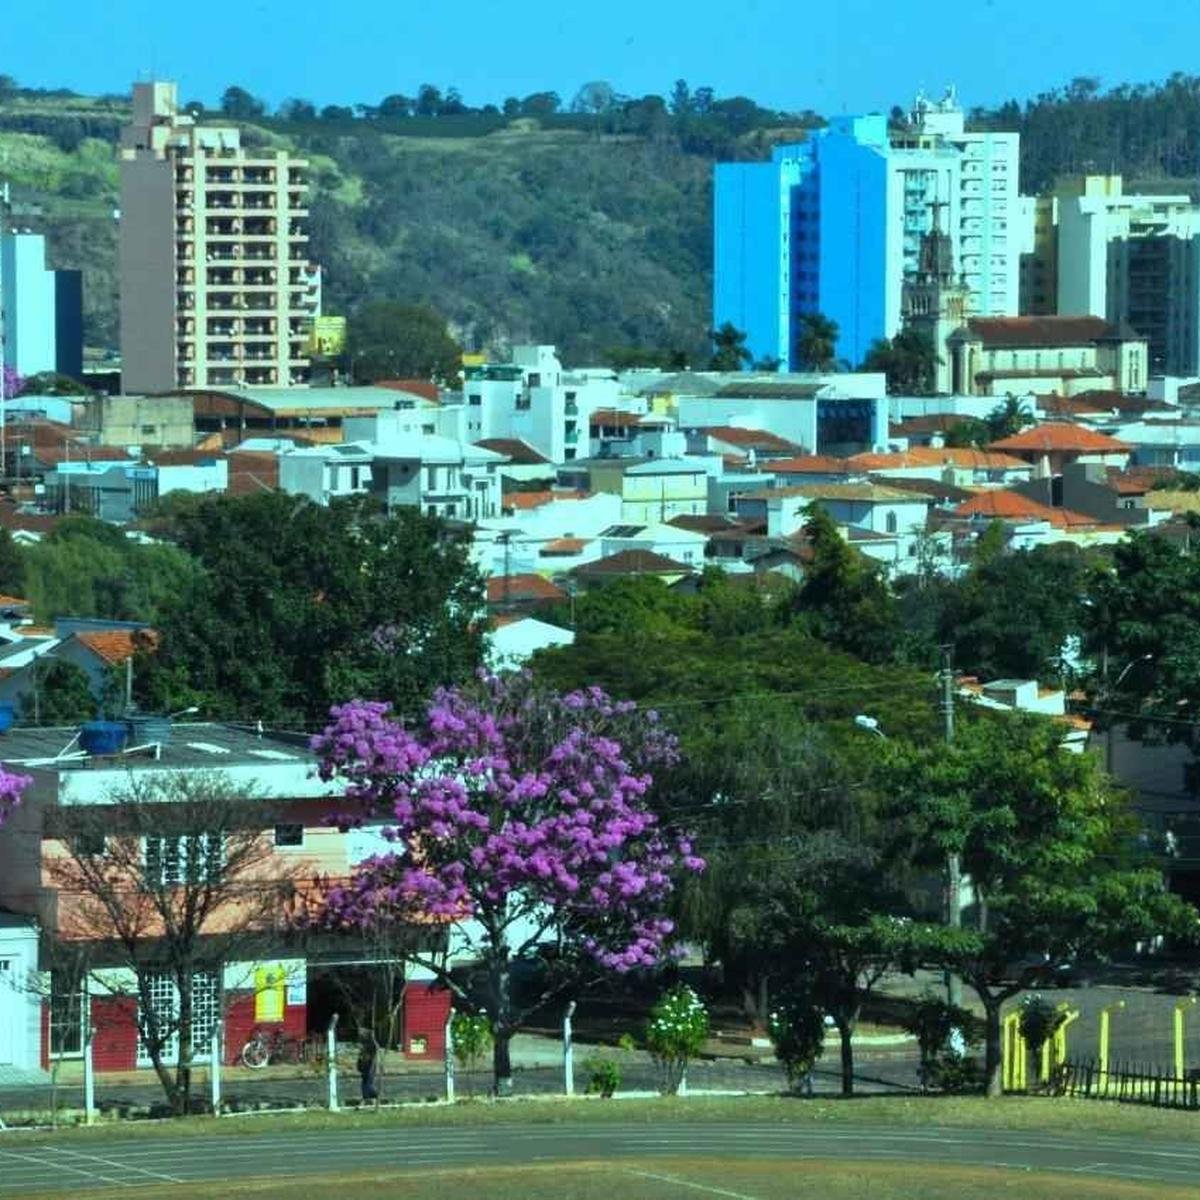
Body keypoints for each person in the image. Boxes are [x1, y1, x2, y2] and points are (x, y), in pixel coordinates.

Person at [357, 1036, 379, 1103]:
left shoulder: (370, 1049)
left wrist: (373, 1039)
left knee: (368, 1084)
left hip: (370, 1068)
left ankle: (375, 1095)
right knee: (364, 1084)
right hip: (364, 1068)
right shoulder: (363, 1051)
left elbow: (376, 1048)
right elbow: (360, 1060)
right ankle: (366, 1098)